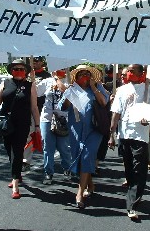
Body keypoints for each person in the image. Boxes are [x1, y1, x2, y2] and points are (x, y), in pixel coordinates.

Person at [109, 64, 150, 219]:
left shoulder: (148, 89)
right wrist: (112, 134)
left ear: (141, 73)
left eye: (132, 71)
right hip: (125, 134)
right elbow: (116, 112)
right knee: (129, 168)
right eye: (128, 71)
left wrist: (149, 119)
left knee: (139, 169)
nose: (129, 73)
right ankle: (133, 189)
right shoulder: (122, 90)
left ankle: (132, 205)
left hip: (141, 136)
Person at [59, 65, 109, 209]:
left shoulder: (99, 89)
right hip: (76, 130)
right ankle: (90, 184)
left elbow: (103, 102)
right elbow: (63, 107)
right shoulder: (71, 89)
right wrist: (70, 93)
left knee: (87, 155)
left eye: (87, 74)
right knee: (80, 158)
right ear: (76, 77)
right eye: (81, 74)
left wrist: (94, 87)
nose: (85, 77)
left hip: (94, 130)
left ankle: (79, 193)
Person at [0, 59, 40, 199]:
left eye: (21, 69)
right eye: (15, 69)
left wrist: (37, 126)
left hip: (22, 124)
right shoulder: (5, 83)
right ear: (11, 71)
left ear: (25, 71)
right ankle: (17, 174)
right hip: (6, 123)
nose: (18, 71)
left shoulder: (30, 85)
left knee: (17, 151)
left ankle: (15, 185)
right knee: (9, 151)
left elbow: (34, 107)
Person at [37, 69, 71, 185]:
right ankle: (48, 172)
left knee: (63, 147)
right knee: (48, 147)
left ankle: (67, 168)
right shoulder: (47, 82)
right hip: (47, 118)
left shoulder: (69, 81)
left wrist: (57, 79)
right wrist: (31, 80)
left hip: (63, 119)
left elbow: (66, 92)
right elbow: (35, 92)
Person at [22, 56, 51, 172]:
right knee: (28, 136)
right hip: (30, 109)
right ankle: (26, 161)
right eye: (33, 61)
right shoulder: (26, 74)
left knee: (43, 137)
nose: (34, 63)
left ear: (42, 62)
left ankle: (48, 162)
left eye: (36, 61)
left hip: (43, 109)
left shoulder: (47, 76)